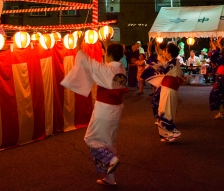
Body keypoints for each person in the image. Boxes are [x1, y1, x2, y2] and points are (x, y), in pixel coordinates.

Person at [60, 34, 127, 186]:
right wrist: (107, 44)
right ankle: (110, 178)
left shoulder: (104, 69)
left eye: (106, 53)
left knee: (91, 139)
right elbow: (108, 63)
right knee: (108, 142)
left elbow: (85, 60)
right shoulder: (121, 68)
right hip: (116, 110)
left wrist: (78, 44)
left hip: (104, 110)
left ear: (108, 55)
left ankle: (111, 160)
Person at [142, 42, 183, 142]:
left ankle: (173, 132)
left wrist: (152, 63)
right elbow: (161, 62)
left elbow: (161, 68)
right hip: (168, 88)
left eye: (165, 51)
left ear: (168, 52)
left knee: (166, 111)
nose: (163, 52)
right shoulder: (173, 62)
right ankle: (166, 134)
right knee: (164, 109)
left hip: (169, 89)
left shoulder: (172, 63)